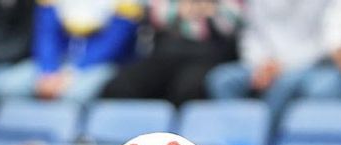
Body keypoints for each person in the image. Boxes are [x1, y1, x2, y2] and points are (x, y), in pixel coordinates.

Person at [0, 0, 140, 103]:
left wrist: (71, 74)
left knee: (74, 95)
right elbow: (46, 33)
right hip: (54, 63)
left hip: (99, 65)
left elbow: (114, 43)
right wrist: (49, 71)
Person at [202, 0, 329, 116]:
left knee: (283, 85)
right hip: (261, 63)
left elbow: (324, 42)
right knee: (221, 79)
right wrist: (260, 64)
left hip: (305, 64)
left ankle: (265, 137)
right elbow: (252, 34)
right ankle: (236, 134)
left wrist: (282, 65)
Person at [98, 0, 239, 105]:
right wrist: (193, 9)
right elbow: (158, 15)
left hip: (208, 55)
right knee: (120, 85)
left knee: (188, 89)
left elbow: (232, 21)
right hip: (166, 53)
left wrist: (197, 10)